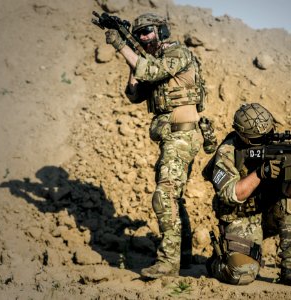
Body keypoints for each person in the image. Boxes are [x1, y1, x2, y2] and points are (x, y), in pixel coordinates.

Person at [104, 13, 206, 278]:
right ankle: (182, 256)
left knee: (165, 196)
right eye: (138, 34)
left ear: (161, 30)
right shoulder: (153, 60)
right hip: (172, 138)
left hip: (182, 136)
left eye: (147, 31)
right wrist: (132, 59)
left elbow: (150, 70)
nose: (143, 37)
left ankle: (168, 263)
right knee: (174, 196)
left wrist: (121, 46)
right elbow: (134, 95)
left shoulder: (177, 54)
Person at [205, 102, 291, 287]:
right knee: (241, 274)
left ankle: (290, 269)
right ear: (242, 136)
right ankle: (216, 263)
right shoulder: (227, 151)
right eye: (260, 139)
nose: (267, 141)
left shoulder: (279, 148)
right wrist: (261, 173)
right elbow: (231, 194)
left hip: (268, 215)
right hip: (241, 218)